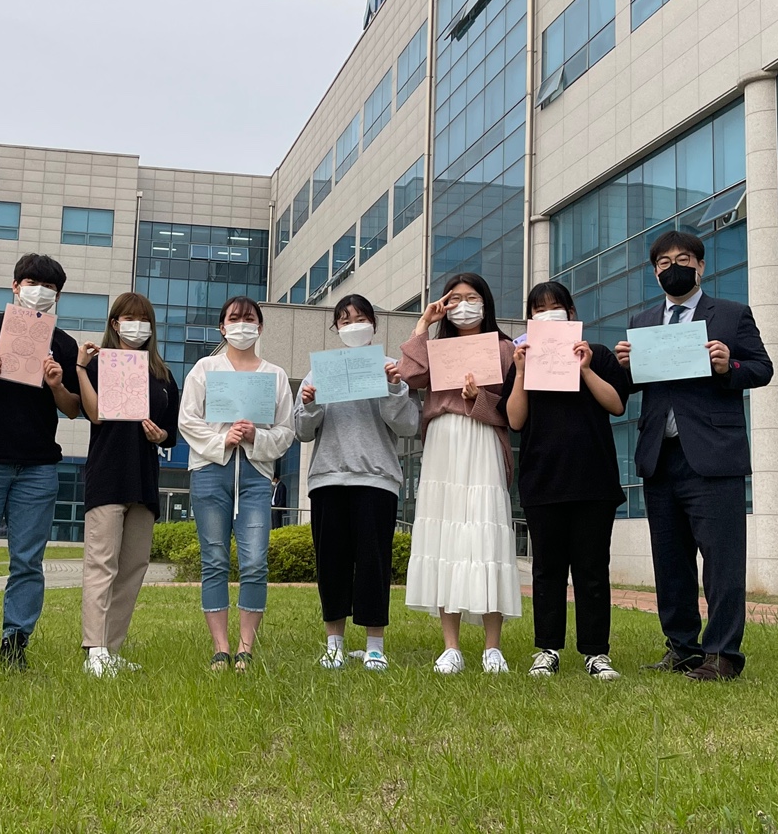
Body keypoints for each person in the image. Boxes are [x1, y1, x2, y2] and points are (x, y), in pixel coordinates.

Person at [614, 231, 771, 681]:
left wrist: (728, 365)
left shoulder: (732, 315)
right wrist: (625, 367)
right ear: (655, 273)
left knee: (722, 561)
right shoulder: (643, 321)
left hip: (713, 455)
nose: (674, 268)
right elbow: (634, 386)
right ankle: (682, 647)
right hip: (659, 456)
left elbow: (762, 368)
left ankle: (722, 654)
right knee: (670, 561)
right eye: (664, 263)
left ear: (701, 266)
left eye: (683, 259)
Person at [0, 253, 81, 671]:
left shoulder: (64, 343)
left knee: (28, 561)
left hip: (38, 465)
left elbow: (73, 409)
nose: (39, 292)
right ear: (15, 286)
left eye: (49, 287)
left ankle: (15, 641)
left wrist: (56, 385)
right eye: (31, 283)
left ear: (58, 296)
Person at [499, 281, 628, 681]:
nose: (548, 314)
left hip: (593, 480)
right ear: (530, 319)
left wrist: (585, 368)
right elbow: (515, 420)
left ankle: (596, 652)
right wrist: (521, 372)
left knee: (592, 570)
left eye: (555, 307)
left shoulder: (598, 354)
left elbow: (617, 405)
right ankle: (547, 649)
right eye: (538, 310)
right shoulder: (522, 361)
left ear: (571, 313)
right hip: (543, 480)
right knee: (547, 571)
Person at [397, 273, 520, 674]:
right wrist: (423, 323)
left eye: (472, 297)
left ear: (486, 302)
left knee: (487, 533)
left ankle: (492, 647)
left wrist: (479, 398)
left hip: (483, 438)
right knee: (444, 536)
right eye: (456, 299)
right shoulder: (437, 348)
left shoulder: (504, 348)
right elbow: (410, 375)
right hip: (443, 441)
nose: (464, 306)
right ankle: (451, 646)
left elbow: (514, 411)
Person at [294, 294, 419, 672]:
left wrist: (393, 388)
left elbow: (408, 425)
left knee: (373, 564)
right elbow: (302, 430)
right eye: (345, 320)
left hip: (376, 478)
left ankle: (374, 646)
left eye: (360, 318)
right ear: (336, 328)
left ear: (374, 325)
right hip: (328, 477)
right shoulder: (318, 373)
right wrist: (310, 403)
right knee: (331, 564)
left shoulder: (390, 369)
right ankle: (334, 644)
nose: (353, 326)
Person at [177, 296, 295, 672]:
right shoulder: (205, 368)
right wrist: (222, 439)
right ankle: (221, 648)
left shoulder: (274, 375)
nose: (242, 324)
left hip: (256, 476)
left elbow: (286, 430)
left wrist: (256, 437)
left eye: (249, 318)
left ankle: (245, 648)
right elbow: (187, 419)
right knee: (214, 559)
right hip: (211, 471)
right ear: (222, 327)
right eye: (234, 318)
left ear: (260, 327)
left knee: (255, 561)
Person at [72, 292, 180, 678]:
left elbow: (170, 433)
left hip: (144, 478)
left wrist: (159, 435)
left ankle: (112, 649)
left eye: (144, 319)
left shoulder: (163, 375)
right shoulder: (98, 364)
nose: (137, 326)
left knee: (133, 566)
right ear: (115, 324)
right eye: (129, 318)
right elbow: (96, 415)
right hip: (108, 475)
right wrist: (81, 369)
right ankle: (95, 648)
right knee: (101, 563)